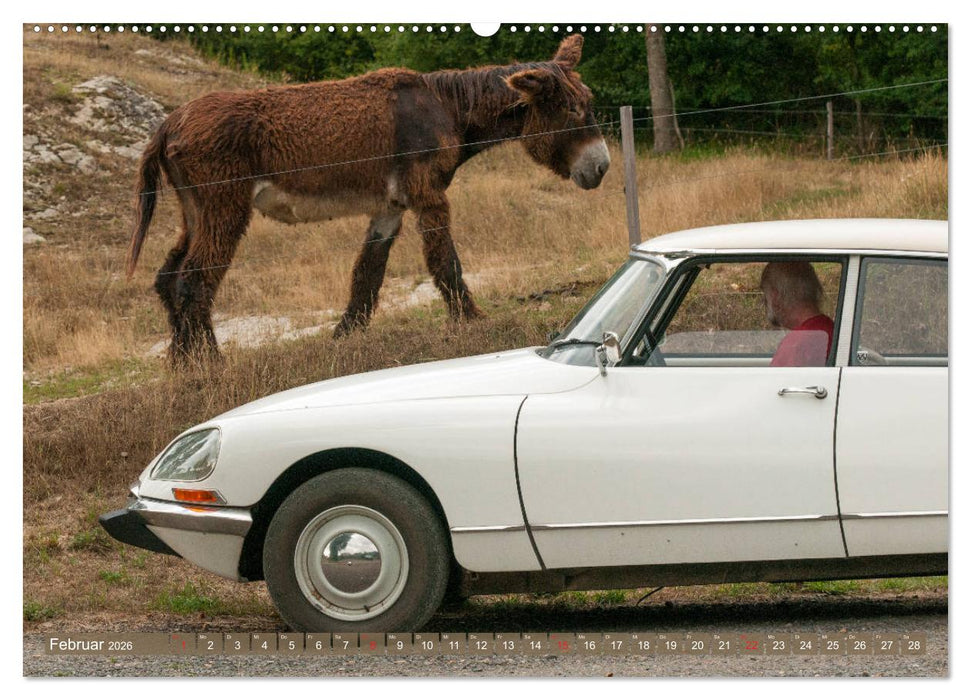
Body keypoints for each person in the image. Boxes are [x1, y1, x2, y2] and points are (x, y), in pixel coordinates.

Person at [760, 262, 834, 367]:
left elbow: (776, 382)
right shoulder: (829, 328)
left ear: (775, 296)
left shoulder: (798, 344)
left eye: (765, 295)